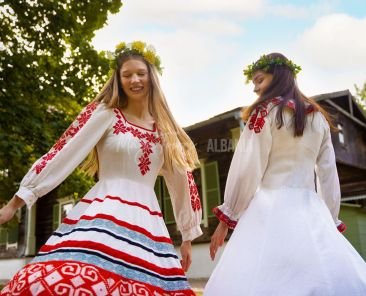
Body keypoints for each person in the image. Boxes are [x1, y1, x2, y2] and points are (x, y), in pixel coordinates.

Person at [0, 41, 202, 296]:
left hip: (147, 222)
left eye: (140, 73)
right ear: (118, 80)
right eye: (127, 75)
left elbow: (181, 180)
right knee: (76, 282)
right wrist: (16, 202)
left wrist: (187, 236)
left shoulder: (165, 131)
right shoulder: (107, 114)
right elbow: (64, 152)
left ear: (152, 77)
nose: (135, 80)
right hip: (103, 211)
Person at [204, 53, 366, 296]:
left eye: (259, 80)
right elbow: (328, 175)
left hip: (270, 206)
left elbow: (248, 167)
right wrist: (329, 219)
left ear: (277, 76)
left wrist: (228, 215)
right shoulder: (319, 119)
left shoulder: (265, 112)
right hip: (311, 210)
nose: (256, 89)